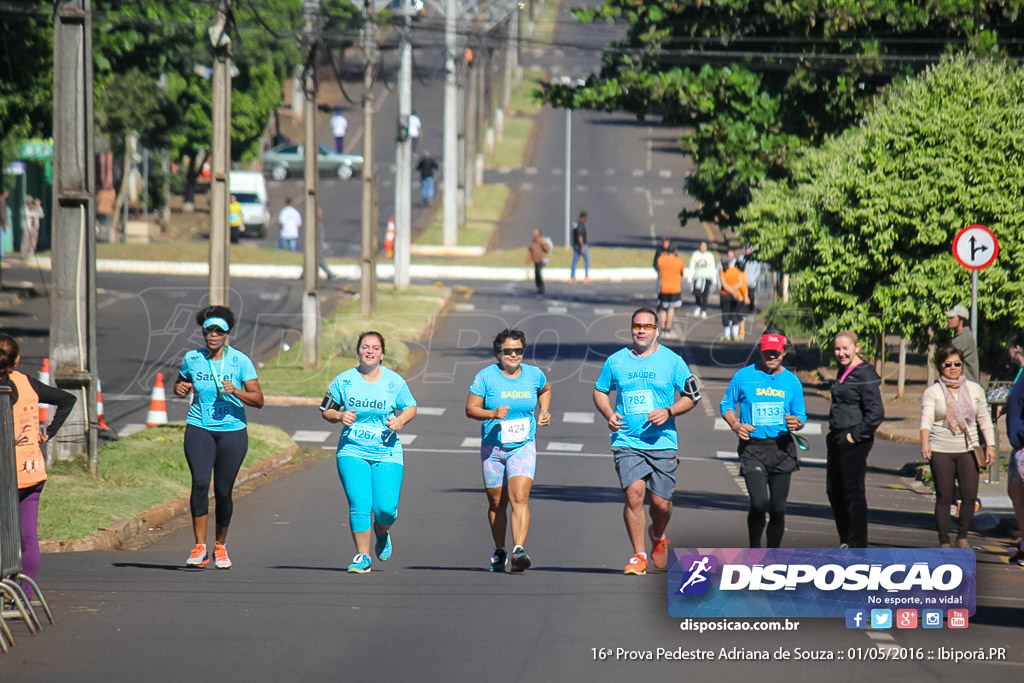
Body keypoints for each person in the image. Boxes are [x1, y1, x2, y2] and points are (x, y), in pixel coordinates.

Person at [593, 308, 702, 575]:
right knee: (633, 495)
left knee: (660, 504)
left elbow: (693, 396)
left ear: (656, 330)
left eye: (647, 326)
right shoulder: (616, 361)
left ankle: (659, 533)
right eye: (637, 326)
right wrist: (609, 413)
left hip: (663, 441)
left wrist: (669, 411)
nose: (641, 330)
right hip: (627, 440)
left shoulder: (672, 361)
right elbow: (600, 390)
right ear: (631, 329)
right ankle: (638, 556)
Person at [174, 306, 265, 569]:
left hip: (232, 431)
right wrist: (179, 388)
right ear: (203, 332)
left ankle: (220, 546)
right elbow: (181, 384)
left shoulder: (240, 361)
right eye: (208, 331)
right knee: (201, 483)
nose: (213, 336)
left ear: (227, 334)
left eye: (219, 331)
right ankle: (199, 547)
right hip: (199, 427)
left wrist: (235, 390)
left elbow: (258, 400)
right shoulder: (192, 358)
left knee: (224, 491)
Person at [321, 332, 417, 573]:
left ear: (382, 353)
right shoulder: (344, 380)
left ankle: (382, 531)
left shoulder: (394, 382)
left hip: (387, 451)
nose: (370, 351)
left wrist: (401, 421)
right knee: (359, 504)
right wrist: (340, 415)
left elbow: (411, 407)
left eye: (375, 347)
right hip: (352, 450)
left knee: (386, 509)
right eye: (365, 347)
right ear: (358, 351)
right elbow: (326, 410)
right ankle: (362, 556)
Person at [465, 329, 551, 572]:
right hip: (493, 448)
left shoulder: (534, 374)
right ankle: (500, 549)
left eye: (518, 351)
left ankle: (518, 550)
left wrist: (544, 410)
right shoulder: (486, 377)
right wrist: (491, 413)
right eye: (508, 351)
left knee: (519, 497)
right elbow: (470, 408)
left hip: (523, 445)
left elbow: (545, 390)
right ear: (498, 353)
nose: (513, 355)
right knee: (496, 502)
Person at [0, 335, 76, 600]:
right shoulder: (27, 383)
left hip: (4, 474)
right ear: (17, 360)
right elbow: (67, 399)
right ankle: (24, 595)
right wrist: (48, 432)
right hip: (30, 471)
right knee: (28, 539)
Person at [720, 330, 807, 548]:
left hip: (782, 449)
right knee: (759, 504)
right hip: (753, 448)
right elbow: (726, 404)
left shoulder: (792, 381)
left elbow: (801, 415)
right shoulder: (743, 376)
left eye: (776, 352)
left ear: (784, 352)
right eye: (767, 352)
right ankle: (755, 548)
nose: (772, 356)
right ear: (760, 350)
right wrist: (735, 425)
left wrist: (797, 422)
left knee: (777, 508)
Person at [920, 346, 995, 548]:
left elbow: (984, 419)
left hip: (968, 448)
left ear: (962, 365)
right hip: (941, 448)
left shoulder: (974, 389)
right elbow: (926, 420)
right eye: (948, 364)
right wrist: (925, 443)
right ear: (940, 367)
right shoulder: (933, 392)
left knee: (970, 495)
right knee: (944, 496)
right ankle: (944, 539)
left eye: (957, 364)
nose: (953, 368)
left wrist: (991, 445)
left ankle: (962, 536)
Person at [827, 330, 885, 548]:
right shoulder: (844, 370)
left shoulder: (865, 374)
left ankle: (857, 544)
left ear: (857, 348)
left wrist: (854, 436)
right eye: (837, 349)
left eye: (845, 348)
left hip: (853, 438)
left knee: (852, 491)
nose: (841, 353)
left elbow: (876, 413)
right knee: (835, 490)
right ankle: (845, 540)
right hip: (836, 436)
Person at [655, 244, 685, 338]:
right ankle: (668, 329)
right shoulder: (679, 261)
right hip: (675, 288)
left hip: (663, 288)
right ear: (675, 251)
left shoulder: (661, 259)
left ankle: (662, 329)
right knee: (671, 309)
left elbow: (658, 269)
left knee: (662, 309)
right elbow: (682, 273)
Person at [719, 251, 749, 341]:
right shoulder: (736, 271)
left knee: (726, 314)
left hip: (725, 295)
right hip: (735, 296)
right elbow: (740, 283)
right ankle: (735, 334)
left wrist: (731, 290)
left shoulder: (721, 271)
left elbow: (724, 285)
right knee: (734, 313)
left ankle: (727, 334)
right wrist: (734, 290)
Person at [945, 305, 979, 383]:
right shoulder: (962, 336)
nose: (949, 320)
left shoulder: (963, 339)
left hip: (965, 385)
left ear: (961, 320)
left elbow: (947, 359)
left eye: (952, 318)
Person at [686, 241, 717, 319]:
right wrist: (690, 277)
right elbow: (692, 266)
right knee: (697, 293)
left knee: (705, 294)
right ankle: (698, 305)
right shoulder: (695, 254)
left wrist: (714, 279)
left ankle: (704, 310)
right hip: (697, 277)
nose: (703, 248)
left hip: (707, 277)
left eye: (705, 246)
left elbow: (713, 268)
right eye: (702, 246)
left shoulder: (710, 255)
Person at [526, 229, 551, 295]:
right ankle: (538, 286)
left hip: (542, 260)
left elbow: (547, 249)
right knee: (536, 273)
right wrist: (528, 259)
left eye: (536, 234)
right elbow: (529, 250)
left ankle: (541, 287)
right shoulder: (532, 242)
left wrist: (541, 243)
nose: (535, 236)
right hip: (535, 260)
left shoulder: (542, 241)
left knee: (538, 271)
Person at [569, 210, 590, 284]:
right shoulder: (581, 225)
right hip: (581, 245)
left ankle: (572, 277)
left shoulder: (575, 224)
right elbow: (580, 236)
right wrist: (582, 246)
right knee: (587, 260)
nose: (586, 219)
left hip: (575, 245)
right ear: (583, 217)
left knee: (574, 262)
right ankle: (586, 277)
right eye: (586, 217)